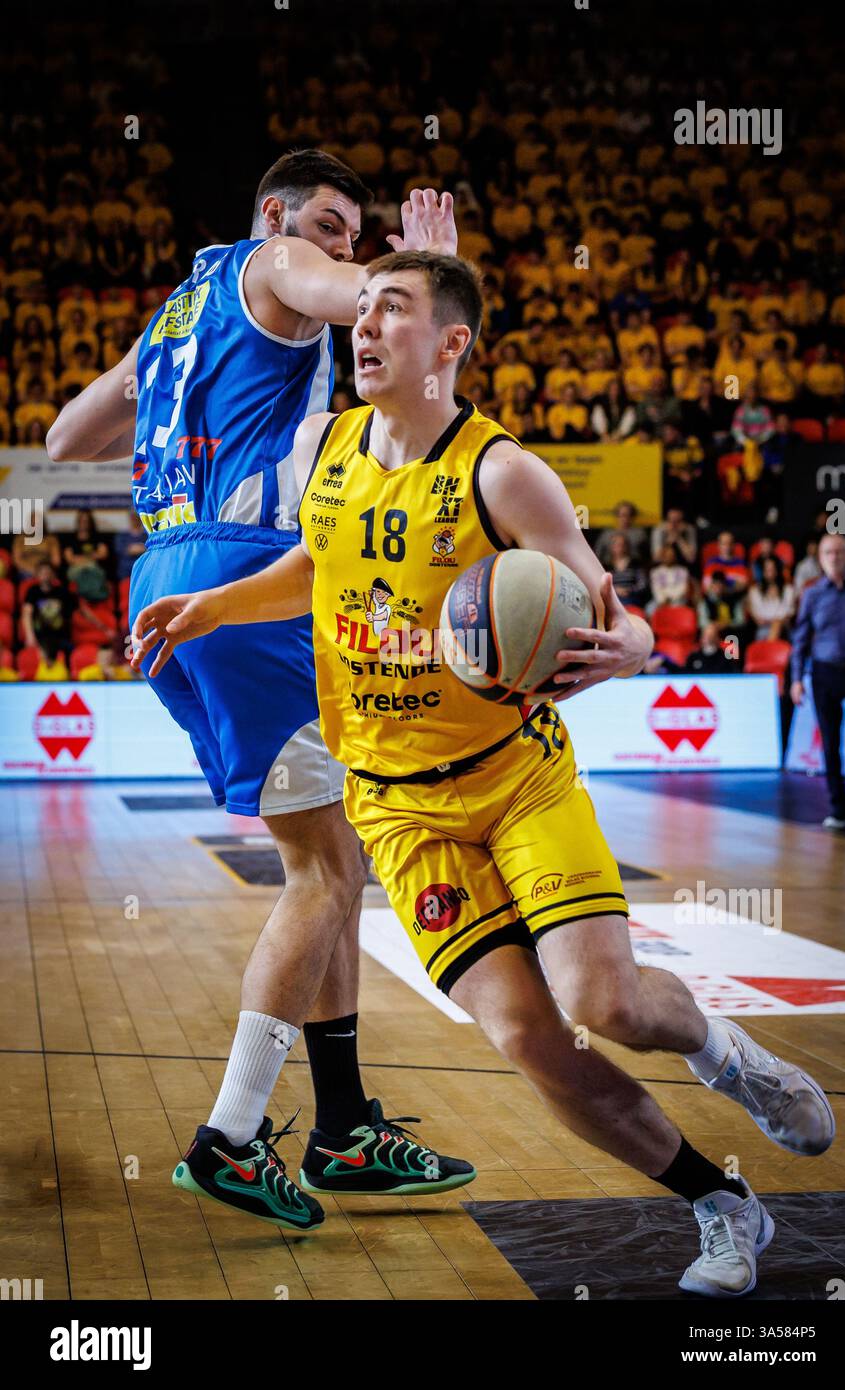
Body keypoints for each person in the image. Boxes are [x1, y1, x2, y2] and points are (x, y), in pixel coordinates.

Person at [133, 251, 835, 1298]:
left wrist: (634, 641)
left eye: (392, 311)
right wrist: (212, 606)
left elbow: (607, 599)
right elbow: (316, 565)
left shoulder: (502, 472)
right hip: (397, 805)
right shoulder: (324, 445)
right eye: (359, 310)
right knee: (526, 1037)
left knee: (610, 1003)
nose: (362, 328)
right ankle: (720, 1203)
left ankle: (729, 1057)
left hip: (513, 779)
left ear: (451, 344)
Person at [46, 152, 473, 1231]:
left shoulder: (173, 318)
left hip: (167, 579)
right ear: (275, 214)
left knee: (330, 857)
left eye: (349, 230)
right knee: (324, 874)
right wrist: (425, 270)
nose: (338, 248)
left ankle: (342, 1125)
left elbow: (61, 441)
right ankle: (230, 1137)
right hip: (246, 579)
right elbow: (359, 299)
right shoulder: (278, 261)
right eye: (332, 224)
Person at [791, 534, 845, 831]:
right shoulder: (812, 594)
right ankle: (839, 809)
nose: (834, 557)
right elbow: (800, 639)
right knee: (830, 744)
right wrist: (796, 679)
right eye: (827, 552)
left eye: (838, 551)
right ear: (820, 558)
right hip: (824, 673)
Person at [745, 556, 796, 641]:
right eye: (767, 569)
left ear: (778, 570)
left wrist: (777, 621)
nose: (770, 572)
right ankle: (770, 649)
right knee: (773, 626)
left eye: (773, 569)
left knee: (777, 624)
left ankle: (767, 651)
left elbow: (789, 614)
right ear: (763, 571)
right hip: (764, 628)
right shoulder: (755, 591)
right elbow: (757, 617)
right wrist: (772, 621)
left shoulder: (788, 589)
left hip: (785, 628)